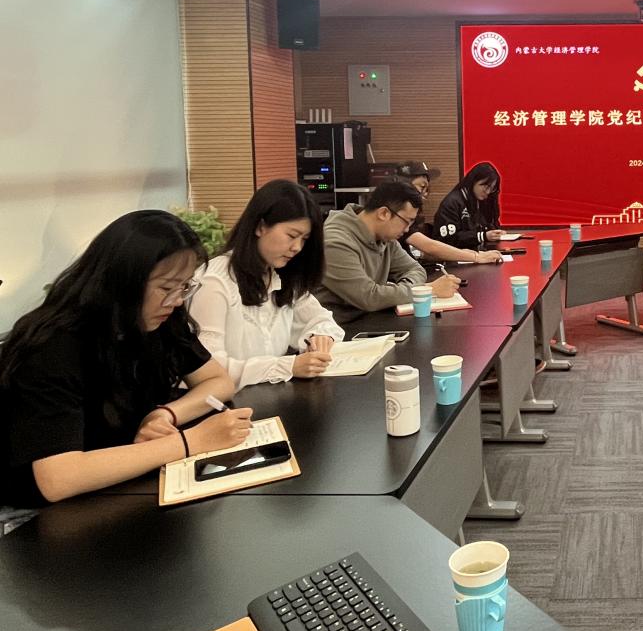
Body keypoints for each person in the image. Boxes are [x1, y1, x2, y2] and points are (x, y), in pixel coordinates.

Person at [0, 211, 252, 506]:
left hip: (122, 484)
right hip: (47, 513)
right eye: (166, 287)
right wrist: (192, 441)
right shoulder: (53, 346)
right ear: (123, 281)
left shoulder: (158, 320)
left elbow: (217, 380)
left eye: (184, 286)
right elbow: (58, 479)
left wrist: (166, 414)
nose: (176, 300)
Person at [189, 180, 345, 388]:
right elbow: (209, 369)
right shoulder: (215, 281)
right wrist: (287, 366)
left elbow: (320, 319)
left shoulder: (280, 275)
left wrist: (321, 336)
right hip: (226, 403)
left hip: (271, 397)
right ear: (260, 226)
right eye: (292, 236)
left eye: (304, 239)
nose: (297, 247)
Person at [313, 180, 460, 324]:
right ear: (384, 213)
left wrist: (399, 291)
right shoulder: (335, 242)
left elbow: (415, 269)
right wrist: (427, 289)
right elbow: (369, 297)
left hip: (371, 319)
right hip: (335, 330)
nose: (407, 229)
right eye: (407, 221)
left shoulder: (385, 238)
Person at [394, 160, 501, 265]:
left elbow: (422, 253)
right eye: (422, 187)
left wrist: (467, 254)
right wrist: (476, 257)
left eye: (427, 188)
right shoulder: (397, 212)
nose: (425, 194)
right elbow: (430, 246)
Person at [433, 162, 505, 249]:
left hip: (477, 251)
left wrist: (495, 233)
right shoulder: (452, 203)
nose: (488, 192)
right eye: (486, 186)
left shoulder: (482, 201)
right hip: (455, 253)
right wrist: (482, 236)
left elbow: (488, 226)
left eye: (492, 188)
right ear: (473, 181)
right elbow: (448, 240)